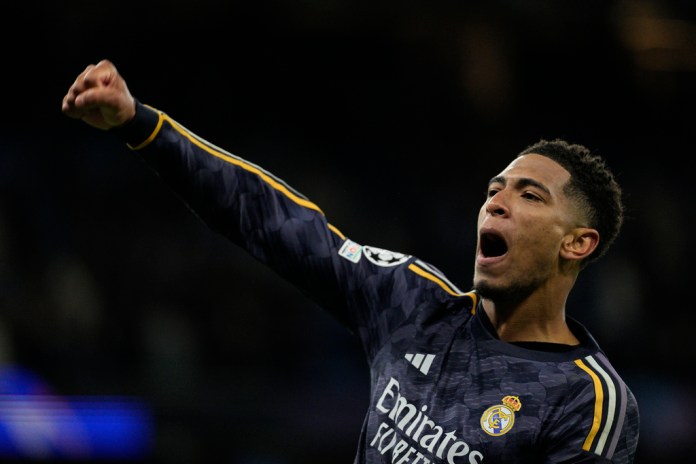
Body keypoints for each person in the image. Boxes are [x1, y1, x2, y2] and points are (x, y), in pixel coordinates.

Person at [62, 59, 639, 463]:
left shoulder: (586, 398)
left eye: (529, 195)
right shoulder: (414, 303)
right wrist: (139, 124)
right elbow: (271, 220)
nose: (497, 201)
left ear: (577, 243)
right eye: (495, 188)